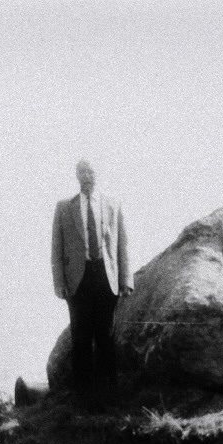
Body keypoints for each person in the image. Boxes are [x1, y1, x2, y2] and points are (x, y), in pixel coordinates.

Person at [51, 159, 133, 405]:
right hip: (78, 279)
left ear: (97, 174)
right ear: (77, 176)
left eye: (91, 172)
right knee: (81, 337)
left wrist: (126, 279)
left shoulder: (112, 205)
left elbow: (122, 244)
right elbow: (56, 249)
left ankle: (109, 397)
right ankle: (83, 400)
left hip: (105, 277)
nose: (87, 177)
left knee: (106, 335)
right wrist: (59, 283)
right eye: (82, 172)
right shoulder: (64, 208)